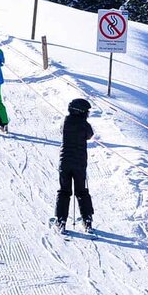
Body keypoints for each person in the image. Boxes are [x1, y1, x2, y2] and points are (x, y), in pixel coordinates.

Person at [53, 98, 94, 234]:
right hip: (80, 163)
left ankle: (61, 220)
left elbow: (61, 131)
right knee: (82, 191)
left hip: (64, 162)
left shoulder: (65, 121)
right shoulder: (84, 125)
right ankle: (87, 220)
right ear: (81, 112)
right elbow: (90, 135)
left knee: (64, 191)